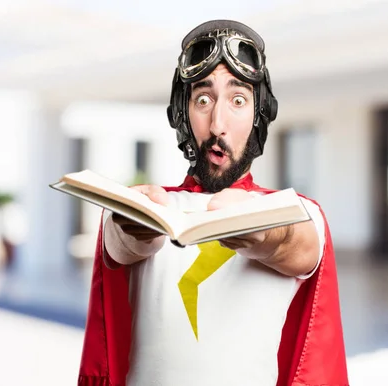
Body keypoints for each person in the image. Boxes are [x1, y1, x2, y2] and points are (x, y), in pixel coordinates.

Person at [77, 19, 349, 386]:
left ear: (260, 114)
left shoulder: (301, 213)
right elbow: (119, 245)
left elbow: (291, 241)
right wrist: (135, 226)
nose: (217, 123)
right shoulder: (145, 204)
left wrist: (259, 231)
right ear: (181, 112)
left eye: (238, 100)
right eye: (203, 99)